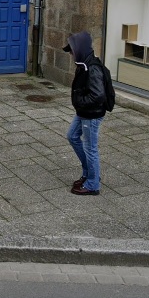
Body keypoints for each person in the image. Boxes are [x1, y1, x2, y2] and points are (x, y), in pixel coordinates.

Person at [63, 31, 108, 196]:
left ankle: (93, 184)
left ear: (79, 49)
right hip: (84, 112)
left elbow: (98, 95)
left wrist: (80, 102)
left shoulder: (92, 68)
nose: (70, 54)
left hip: (91, 114)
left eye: (72, 51)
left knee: (90, 148)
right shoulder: (83, 64)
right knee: (72, 136)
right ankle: (89, 173)